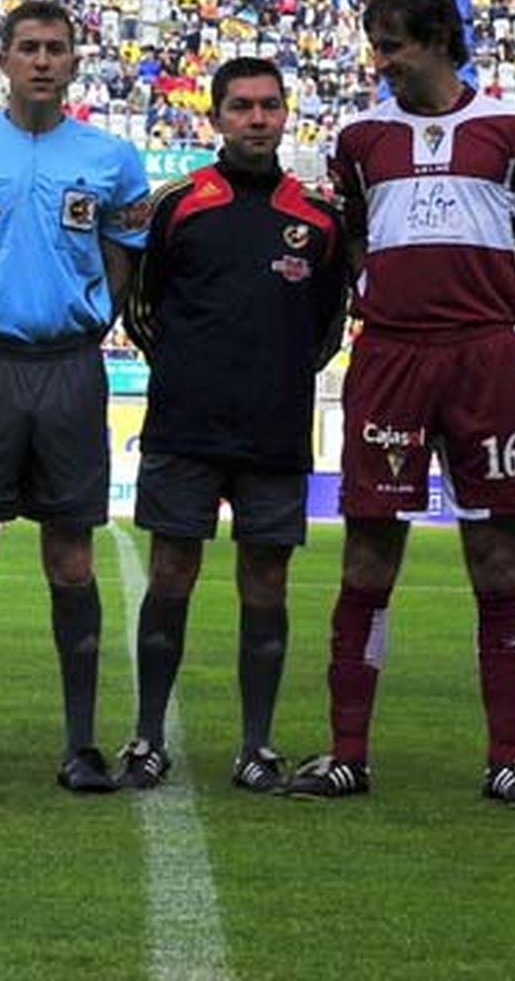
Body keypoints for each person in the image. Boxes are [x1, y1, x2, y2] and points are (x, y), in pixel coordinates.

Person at [288, 0, 515, 807]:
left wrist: (487, 307)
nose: (382, 62)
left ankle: (506, 756)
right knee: (370, 552)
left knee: (496, 556)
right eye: (377, 44)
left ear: (440, 38)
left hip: (481, 356)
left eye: (392, 44)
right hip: (391, 357)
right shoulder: (359, 137)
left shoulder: (512, 129)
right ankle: (347, 752)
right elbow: (359, 241)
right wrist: (398, 303)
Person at [0, 0, 150, 794]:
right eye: (29, 48)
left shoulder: (112, 157)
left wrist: (83, 322)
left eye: (57, 49)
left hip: (71, 370)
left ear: (76, 63)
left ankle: (79, 744)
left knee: (70, 560)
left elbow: (123, 258)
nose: (43, 60)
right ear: (2, 60)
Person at [117, 57, 346, 793]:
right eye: (242, 106)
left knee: (266, 585)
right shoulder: (178, 203)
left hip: (274, 431)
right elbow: (142, 309)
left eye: (269, 106)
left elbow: (326, 329)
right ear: (215, 117)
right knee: (171, 575)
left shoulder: (318, 216)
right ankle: (148, 736)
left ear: (286, 115)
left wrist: (269, 379)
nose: (256, 118)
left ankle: (256, 744)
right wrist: (195, 371)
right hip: (185, 426)